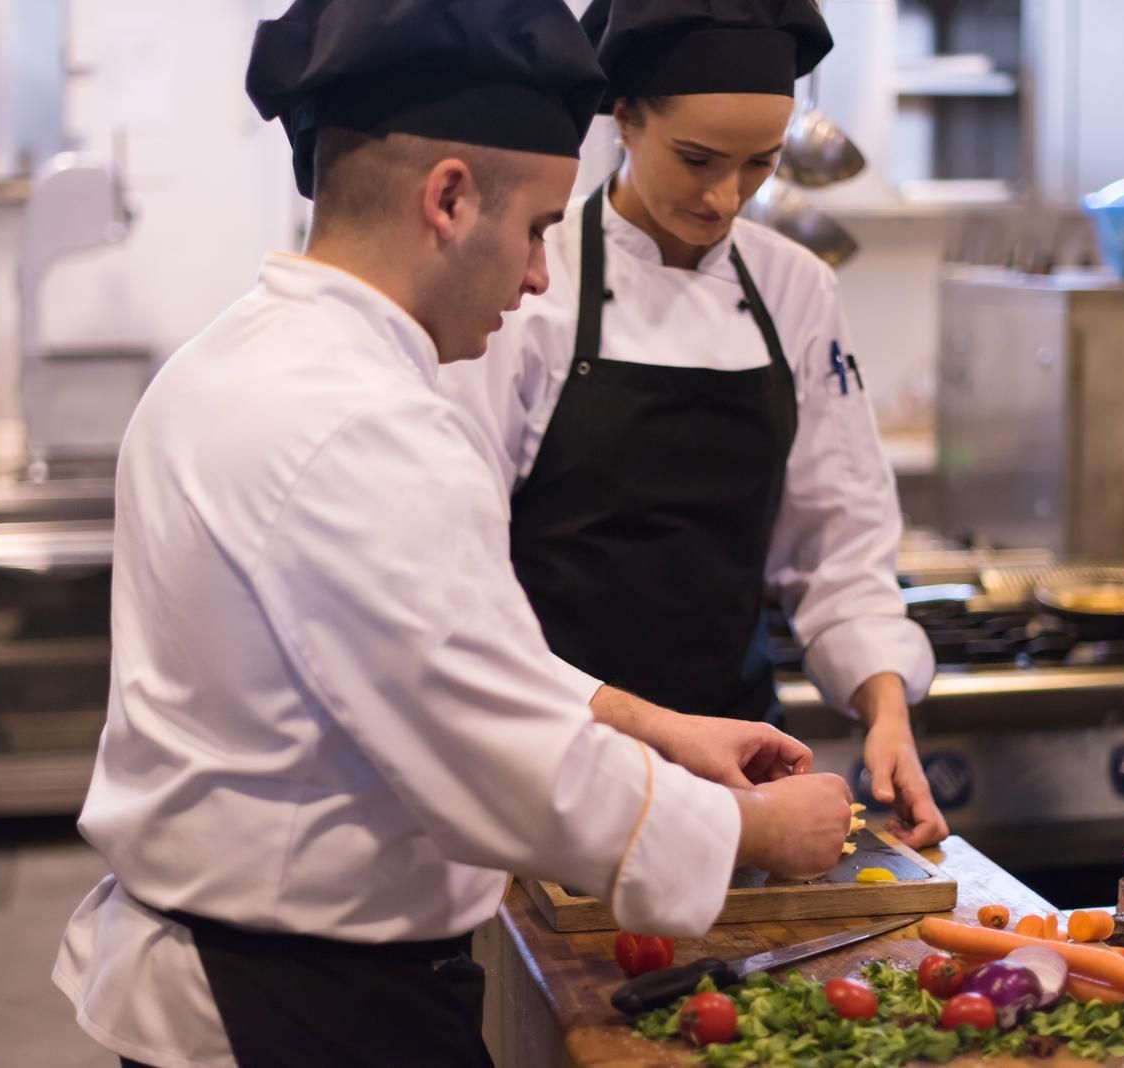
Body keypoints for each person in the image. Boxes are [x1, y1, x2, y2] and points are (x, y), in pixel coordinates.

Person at [52, 2, 856, 1066]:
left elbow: (428, 660)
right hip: (301, 1008)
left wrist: (652, 724)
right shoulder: (365, 427)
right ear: (448, 199)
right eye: (536, 229)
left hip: (259, 977)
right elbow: (504, 760)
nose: (538, 275)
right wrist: (752, 831)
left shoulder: (238, 358)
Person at [438, 0, 949, 846]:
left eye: (759, 165)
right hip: (554, 763)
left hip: (742, 766)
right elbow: (462, 564)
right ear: (625, 118)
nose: (725, 197)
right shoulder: (533, 283)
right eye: (697, 159)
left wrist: (885, 711)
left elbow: (841, 545)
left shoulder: (796, 289)